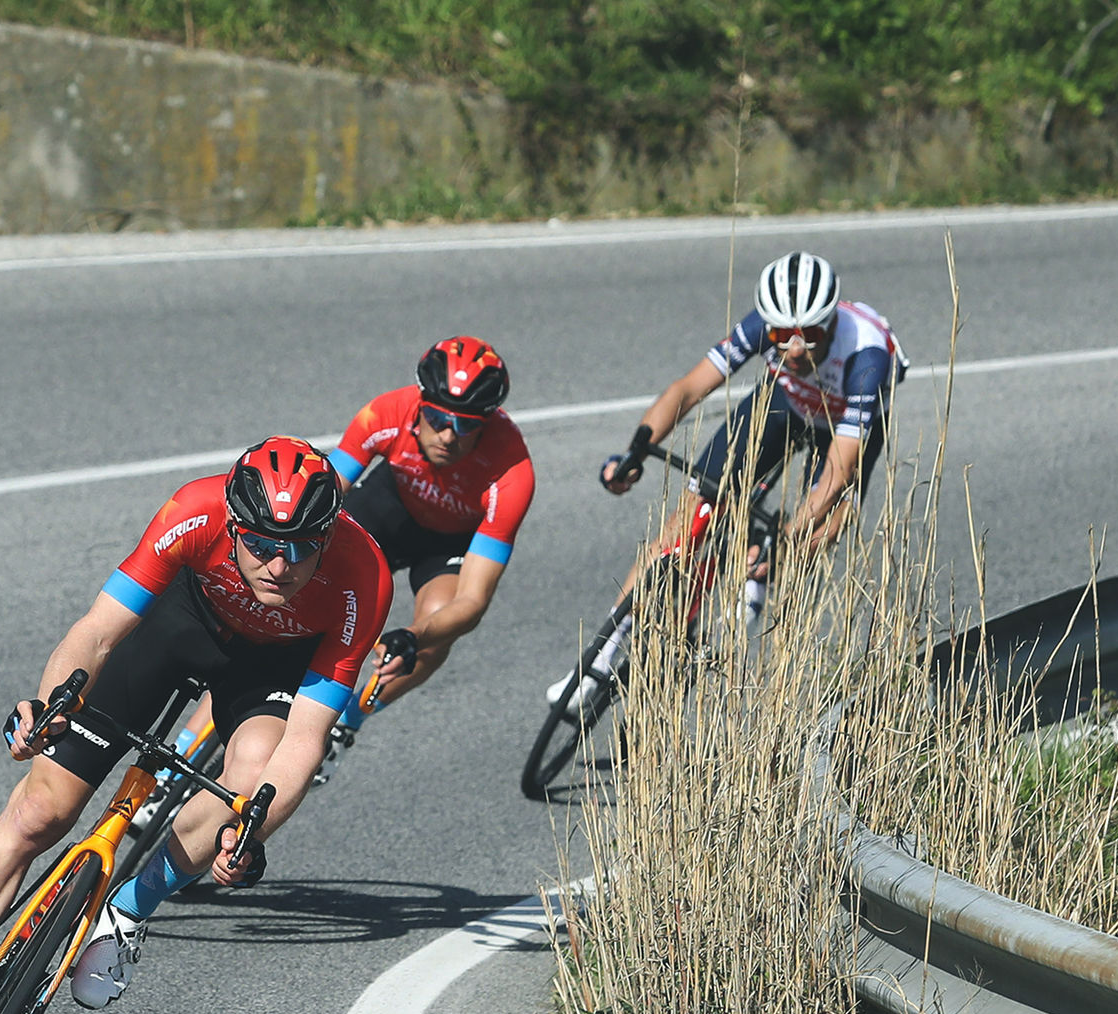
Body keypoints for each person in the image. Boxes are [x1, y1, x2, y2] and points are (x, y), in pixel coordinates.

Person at [0, 437, 391, 1014]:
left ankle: (128, 910)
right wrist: (53, 704)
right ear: (231, 524)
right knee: (38, 810)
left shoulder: (362, 576)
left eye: (302, 547)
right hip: (178, 627)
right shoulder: (192, 510)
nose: (280, 564)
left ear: (328, 534)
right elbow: (97, 632)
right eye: (259, 544)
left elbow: (306, 736)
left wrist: (250, 829)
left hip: (272, 670)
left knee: (251, 779)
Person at [549, 251, 907, 708]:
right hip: (786, 404)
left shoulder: (868, 357)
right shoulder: (763, 323)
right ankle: (597, 662)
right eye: (782, 337)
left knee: (821, 528)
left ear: (830, 324)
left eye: (809, 337)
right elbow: (689, 388)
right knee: (688, 516)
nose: (794, 349)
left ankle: (758, 580)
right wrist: (636, 448)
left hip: (842, 428)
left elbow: (838, 470)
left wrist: (790, 535)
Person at [316, 336, 535, 773]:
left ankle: (347, 721)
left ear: (488, 422)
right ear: (420, 404)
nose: (449, 436)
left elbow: (472, 605)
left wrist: (415, 638)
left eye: (468, 426)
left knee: (440, 629)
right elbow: (319, 495)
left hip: (448, 543)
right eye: (437, 419)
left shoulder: (512, 472)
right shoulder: (386, 412)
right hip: (387, 509)